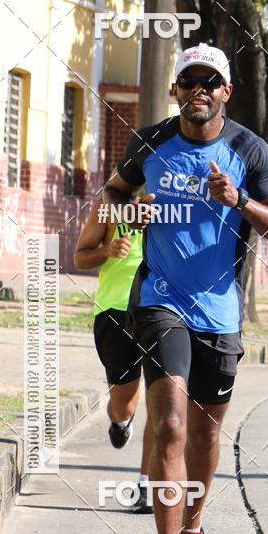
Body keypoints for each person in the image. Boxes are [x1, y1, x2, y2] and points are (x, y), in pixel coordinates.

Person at [103, 43, 268, 534]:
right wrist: (126, 210)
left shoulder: (248, 150)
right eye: (190, 80)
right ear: (176, 90)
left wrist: (239, 201)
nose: (200, 90)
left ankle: (192, 532)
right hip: (160, 298)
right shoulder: (151, 142)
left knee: (207, 435)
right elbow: (113, 193)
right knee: (169, 425)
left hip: (220, 310)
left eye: (211, 81)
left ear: (226, 92)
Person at [74, 207, 154, 514]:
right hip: (115, 312)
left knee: (164, 403)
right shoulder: (109, 209)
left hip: (163, 310)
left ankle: (146, 486)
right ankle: (120, 421)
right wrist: (107, 250)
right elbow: (80, 256)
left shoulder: (179, 207)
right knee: (125, 404)